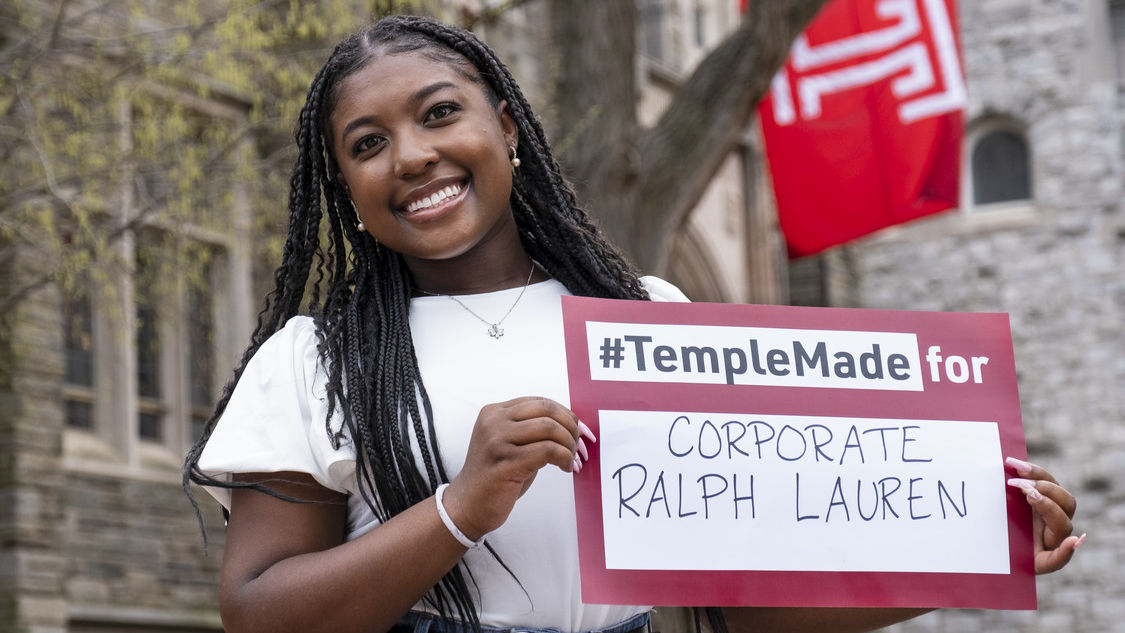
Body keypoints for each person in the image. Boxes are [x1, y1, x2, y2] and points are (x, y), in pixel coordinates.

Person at [182, 14, 1082, 633]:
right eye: (367, 144)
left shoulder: (644, 320)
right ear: (343, 184)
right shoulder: (314, 361)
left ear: (506, 127)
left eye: (438, 114)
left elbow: (741, 606)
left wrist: (972, 548)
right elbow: (259, 611)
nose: (412, 156)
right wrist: (459, 508)